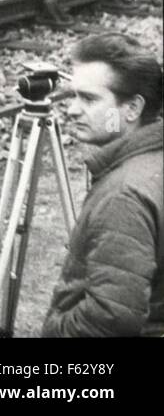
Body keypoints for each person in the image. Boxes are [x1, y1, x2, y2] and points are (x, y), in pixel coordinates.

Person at [42, 32, 163, 337]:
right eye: (74, 96)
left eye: (90, 98)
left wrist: (55, 331)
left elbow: (110, 319)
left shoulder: (124, 195)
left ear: (132, 108)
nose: (72, 110)